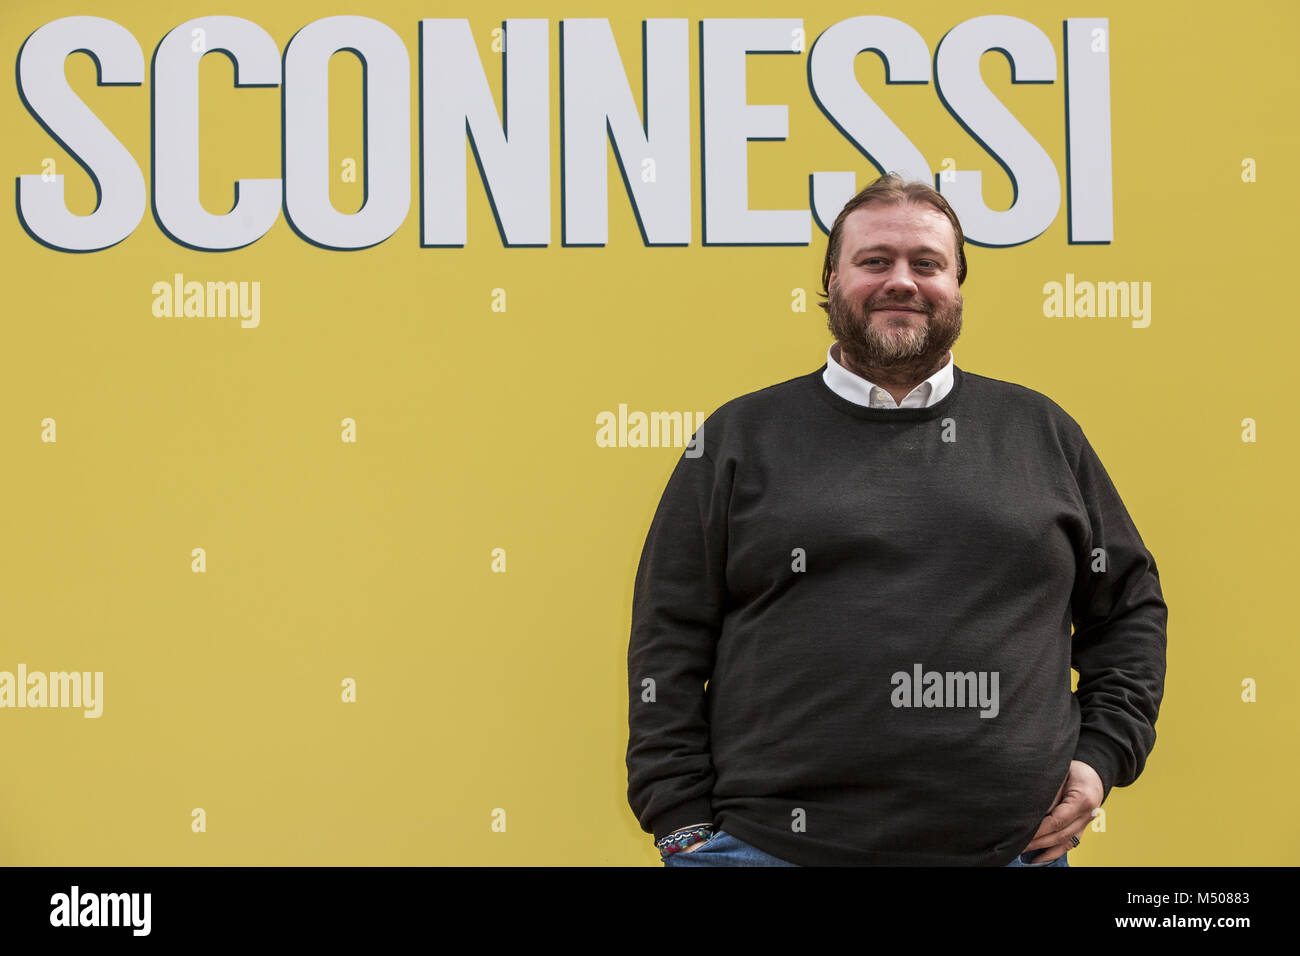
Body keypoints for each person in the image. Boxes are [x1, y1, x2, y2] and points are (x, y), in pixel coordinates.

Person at [624, 172, 1168, 867]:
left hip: (1008, 853)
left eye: (927, 264)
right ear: (831, 281)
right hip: (767, 849)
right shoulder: (739, 437)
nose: (902, 282)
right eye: (875, 261)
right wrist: (678, 819)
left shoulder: (1042, 433)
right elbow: (668, 636)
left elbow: (1128, 608)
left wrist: (1099, 758)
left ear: (958, 287)